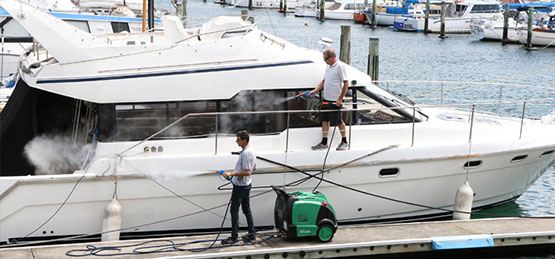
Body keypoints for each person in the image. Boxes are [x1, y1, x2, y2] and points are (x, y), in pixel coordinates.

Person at [305, 48, 349, 151]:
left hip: (335, 101)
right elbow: (324, 81)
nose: (325, 61)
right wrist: (314, 91)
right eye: (324, 59)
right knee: (324, 120)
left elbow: (346, 83)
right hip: (326, 99)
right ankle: (324, 143)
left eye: (326, 58)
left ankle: (344, 141)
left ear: (333, 57)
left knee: (338, 121)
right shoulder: (328, 67)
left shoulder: (340, 66)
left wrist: (340, 99)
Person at [220, 130, 256, 244]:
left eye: (238, 140)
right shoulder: (252, 150)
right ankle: (252, 234)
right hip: (247, 185)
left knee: (234, 211)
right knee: (246, 210)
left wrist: (231, 174)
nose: (236, 142)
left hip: (240, 187)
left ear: (244, 140)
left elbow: (247, 172)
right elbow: (253, 168)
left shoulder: (245, 153)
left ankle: (234, 237)